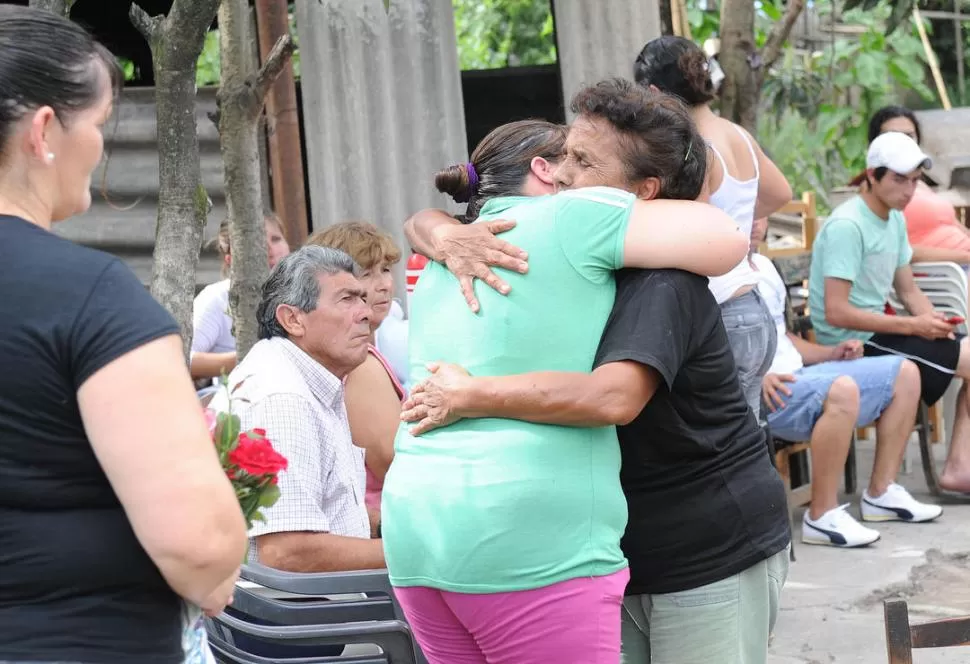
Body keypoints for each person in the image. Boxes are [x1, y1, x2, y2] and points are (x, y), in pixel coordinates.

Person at [398, 82, 790, 664]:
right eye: (560, 157)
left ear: (644, 193)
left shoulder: (665, 283)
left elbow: (613, 399)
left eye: (581, 162)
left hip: (705, 546)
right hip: (609, 547)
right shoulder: (558, 255)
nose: (559, 174)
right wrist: (438, 229)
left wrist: (471, 393)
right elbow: (430, 220)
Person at [0, 7, 248, 663]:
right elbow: (198, 544)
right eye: (101, 124)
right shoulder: (87, 295)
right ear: (45, 131)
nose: (103, 147)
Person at [750, 216, 941, 547]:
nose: (754, 221)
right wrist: (756, 375)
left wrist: (832, 353)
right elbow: (709, 347)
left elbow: (786, 340)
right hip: (759, 390)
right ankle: (821, 516)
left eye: (760, 211)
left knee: (905, 372)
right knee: (842, 390)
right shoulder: (714, 273)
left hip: (799, 376)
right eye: (746, 209)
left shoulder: (765, 266)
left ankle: (881, 493)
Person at [634, 35, 793, 419]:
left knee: (725, 448)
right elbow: (779, 193)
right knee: (748, 441)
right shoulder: (737, 133)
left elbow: (691, 229)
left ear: (654, 92)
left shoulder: (694, 146)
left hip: (723, 311)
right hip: (753, 305)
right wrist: (737, 227)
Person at [810, 131, 970, 493]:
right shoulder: (847, 225)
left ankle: (960, 466)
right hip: (849, 341)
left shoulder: (895, 219)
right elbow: (836, 312)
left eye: (914, 181)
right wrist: (914, 326)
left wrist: (934, 323)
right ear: (871, 175)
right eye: (899, 179)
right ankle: (949, 470)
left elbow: (909, 290)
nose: (909, 190)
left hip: (882, 330)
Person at [209, 246, 385, 572]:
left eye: (363, 299)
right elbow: (286, 552)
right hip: (306, 615)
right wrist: (418, 559)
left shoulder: (308, 374)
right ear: (293, 319)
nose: (367, 314)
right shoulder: (283, 398)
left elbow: (332, 510)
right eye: (347, 299)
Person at [307, 221, 405, 511]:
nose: (384, 285)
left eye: (386, 270)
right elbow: (395, 462)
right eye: (366, 274)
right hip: (378, 523)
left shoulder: (346, 353)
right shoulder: (360, 366)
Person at [856, 106, 970, 265]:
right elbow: (892, 250)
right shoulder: (874, 190)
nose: (902, 142)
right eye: (892, 136)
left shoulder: (919, 185)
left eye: (909, 136)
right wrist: (964, 257)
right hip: (945, 273)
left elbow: (955, 226)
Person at [190, 212, 291, 381]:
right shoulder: (218, 298)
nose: (270, 250)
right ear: (230, 259)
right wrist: (245, 357)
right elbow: (182, 360)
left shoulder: (306, 294)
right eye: (256, 243)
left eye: (276, 239)